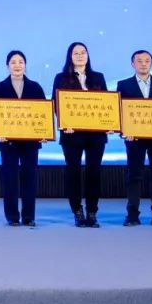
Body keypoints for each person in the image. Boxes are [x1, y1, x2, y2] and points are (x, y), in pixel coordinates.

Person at [116, 50, 152, 227]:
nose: (143, 64)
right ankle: (132, 215)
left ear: (151, 63)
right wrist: (124, 130)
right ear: (132, 64)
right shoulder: (123, 85)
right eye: (139, 61)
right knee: (134, 175)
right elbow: (119, 111)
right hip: (134, 138)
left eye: (147, 60)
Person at [52, 42, 108, 228]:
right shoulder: (61, 78)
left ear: (88, 55)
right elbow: (56, 104)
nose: (80, 55)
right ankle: (77, 211)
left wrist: (109, 123)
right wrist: (64, 123)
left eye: (83, 52)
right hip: (71, 134)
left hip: (96, 135)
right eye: (75, 53)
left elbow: (106, 104)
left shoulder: (98, 77)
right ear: (70, 56)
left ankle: (92, 212)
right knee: (73, 172)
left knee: (94, 172)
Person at [0, 50, 46, 227]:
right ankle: (12, 216)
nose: (17, 65)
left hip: (30, 143)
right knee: (10, 180)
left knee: (30, 179)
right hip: (8, 142)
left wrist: (44, 132)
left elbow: (43, 114)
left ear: (25, 65)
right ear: (7, 66)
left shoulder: (35, 87)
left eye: (20, 62)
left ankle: (29, 216)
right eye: (13, 62)